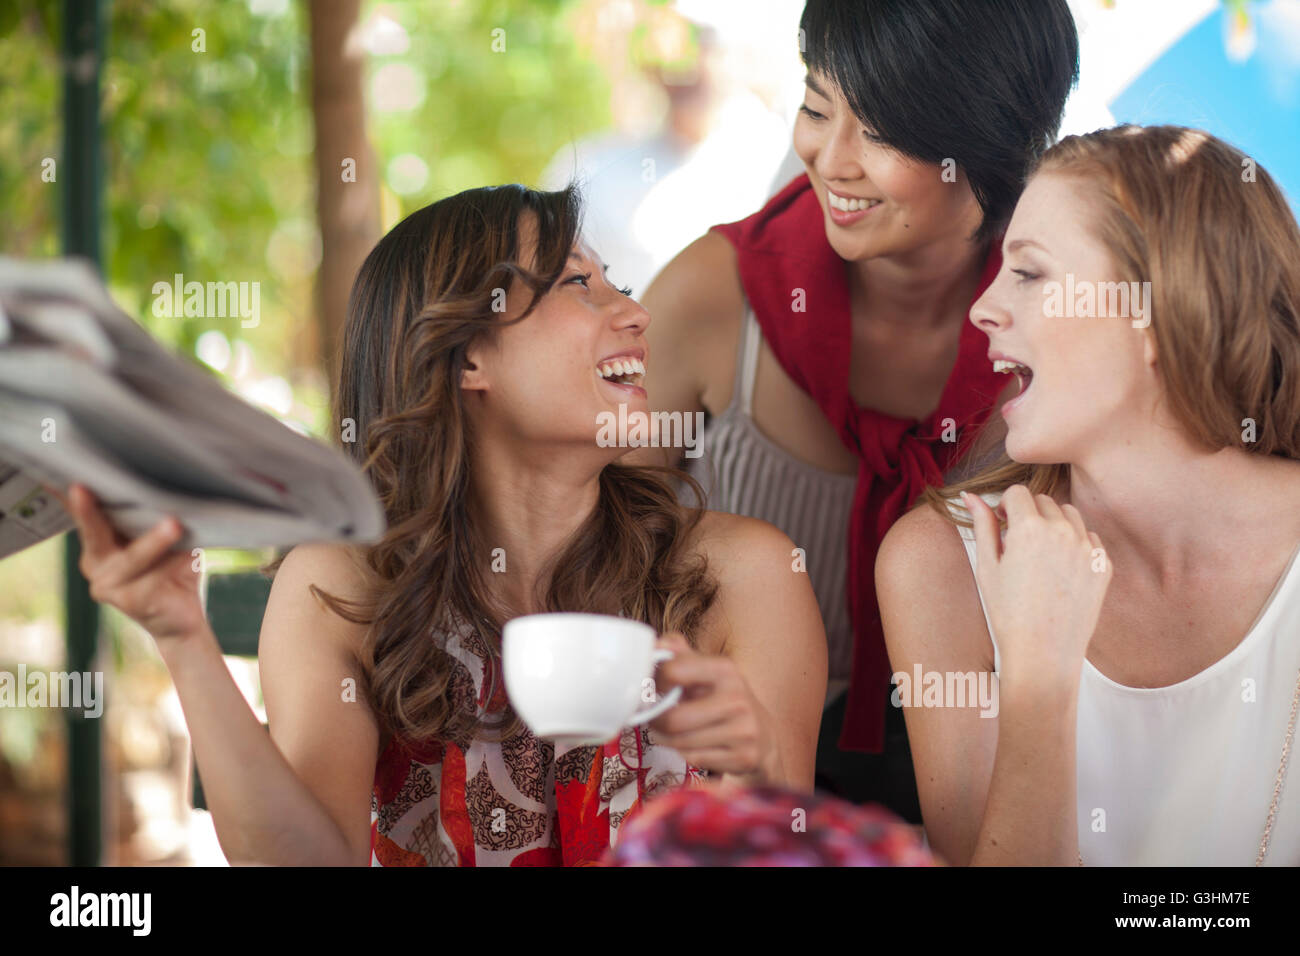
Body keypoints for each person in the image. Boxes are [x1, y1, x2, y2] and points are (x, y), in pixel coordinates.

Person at [60, 182, 827, 866]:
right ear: (466, 359)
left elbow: (792, 846)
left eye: (615, 284)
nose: (634, 311)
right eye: (576, 284)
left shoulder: (743, 575)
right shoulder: (345, 584)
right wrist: (183, 640)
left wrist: (757, 770)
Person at [626, 0, 1079, 815]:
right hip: (723, 792)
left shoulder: (1068, 337)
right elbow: (591, 558)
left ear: (988, 141)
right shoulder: (713, 299)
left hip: (1015, 783)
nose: (830, 160)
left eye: (880, 132)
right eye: (815, 108)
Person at [877, 125, 1300, 866]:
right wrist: (1040, 675)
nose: (983, 310)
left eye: (1030, 274)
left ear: (1159, 312)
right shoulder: (941, 565)